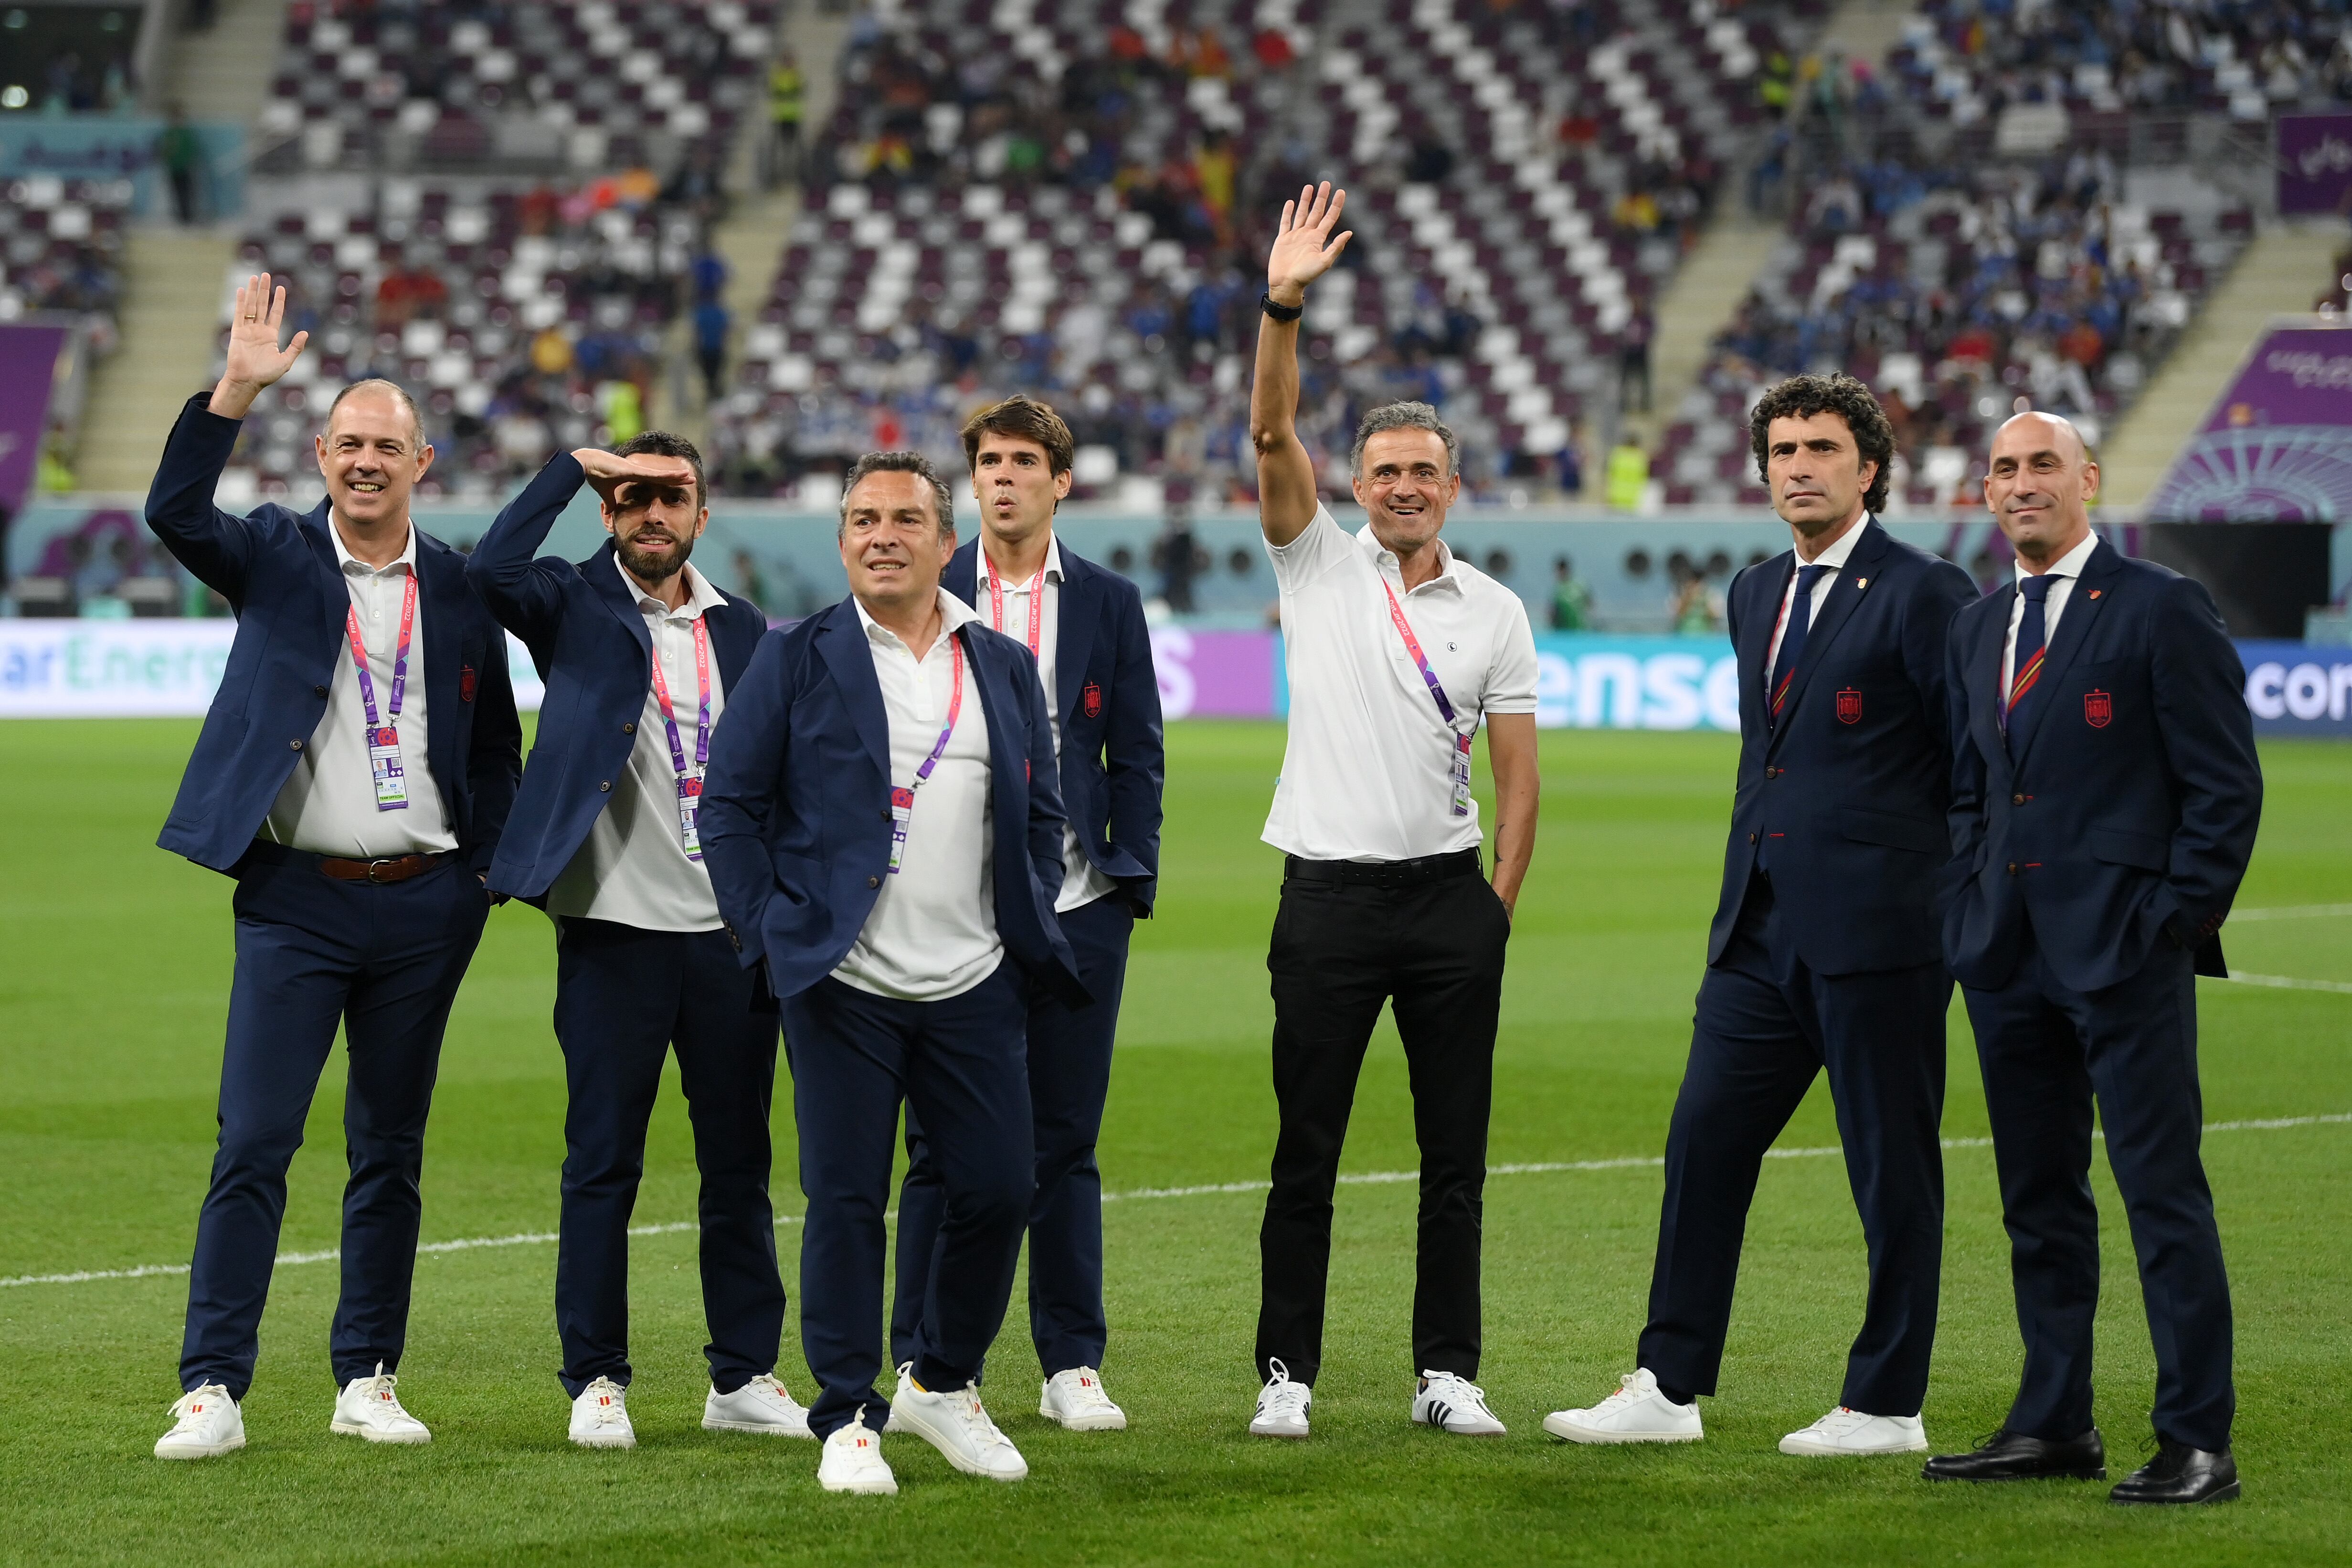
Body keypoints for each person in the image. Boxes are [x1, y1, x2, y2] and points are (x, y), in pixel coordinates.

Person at [1545, 373, 1976, 1456]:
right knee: (1701, 1143)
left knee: (1889, 1168)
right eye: (1780, 449)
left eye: (1820, 448)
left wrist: (1952, 909)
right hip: (1758, 930)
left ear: (1866, 468)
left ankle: (1885, 1403)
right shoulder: (1751, 593)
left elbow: (1972, 763)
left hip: (1882, 933)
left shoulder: (1927, 594)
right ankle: (1667, 1383)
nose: (1796, 466)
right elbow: (1769, 764)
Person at [147, 276, 520, 1460]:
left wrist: (481, 880)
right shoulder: (273, 556)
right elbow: (174, 512)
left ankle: (367, 1374)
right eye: (349, 444)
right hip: (297, 902)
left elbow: (494, 749)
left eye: (387, 447)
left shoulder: (459, 588)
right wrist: (232, 392)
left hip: (424, 904)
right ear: (320, 452)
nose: (366, 462)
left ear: (422, 462)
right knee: (255, 1138)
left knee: (388, 1153)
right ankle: (212, 1385)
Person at [701, 451, 1089, 1495]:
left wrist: (1025, 925)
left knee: (1003, 1184)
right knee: (844, 1200)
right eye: (864, 519)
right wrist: (769, 931)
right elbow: (728, 806)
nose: (883, 534)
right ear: (841, 543)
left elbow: (1042, 811)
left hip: (975, 982)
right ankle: (847, 1414)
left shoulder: (1000, 663)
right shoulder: (797, 658)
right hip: (844, 985)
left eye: (905, 518)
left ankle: (943, 1381)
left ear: (944, 540)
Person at [1243, 183, 1541, 1440]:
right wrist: (1282, 307)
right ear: (1351, 481)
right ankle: (1284, 1374)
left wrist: (1492, 911)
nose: (1403, 486)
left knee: (1452, 1158)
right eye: (1382, 470)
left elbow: (1520, 777)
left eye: (1422, 470)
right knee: (1303, 1146)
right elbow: (1268, 434)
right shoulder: (1314, 559)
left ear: (1452, 484)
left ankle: (1447, 1371)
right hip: (1323, 892)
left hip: (1441, 900)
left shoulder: (1493, 609)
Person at [1924, 413, 2262, 1505]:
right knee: (2038, 1201)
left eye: (2041, 467)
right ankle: (2052, 1420)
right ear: (1984, 494)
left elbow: (2222, 787)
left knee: (2159, 1192)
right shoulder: (1979, 629)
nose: (2022, 484)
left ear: (2087, 482)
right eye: (2004, 470)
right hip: (2005, 957)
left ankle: (2194, 1439)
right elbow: (1972, 788)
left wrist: (2167, 923)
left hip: (2122, 957)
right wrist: (1967, 906)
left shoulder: (2161, 609)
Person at [466, 433, 807, 1451]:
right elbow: (489, 569)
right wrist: (574, 470)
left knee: (739, 1164)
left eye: (673, 497)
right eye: (635, 496)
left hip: (730, 941)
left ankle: (743, 1373)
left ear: (703, 514)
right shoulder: (569, 602)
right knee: (602, 1162)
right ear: (612, 511)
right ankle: (598, 1379)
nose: (654, 512)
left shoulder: (746, 628)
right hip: (614, 929)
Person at [889, 394, 1165, 1432]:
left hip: (1077, 905)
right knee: (936, 1144)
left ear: (1061, 479)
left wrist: (1129, 873)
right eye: (988, 461)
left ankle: (1070, 1361)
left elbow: (1135, 748)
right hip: (950, 904)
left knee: (1065, 1138)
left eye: (1022, 460)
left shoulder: (1107, 601)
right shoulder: (924, 582)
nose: (1002, 476)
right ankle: (921, 1357)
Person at [1548, 555, 1591, 630]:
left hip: (1569, 631)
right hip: (1577, 631)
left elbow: (1552, 613)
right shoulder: (1580, 586)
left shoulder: (1559, 591)